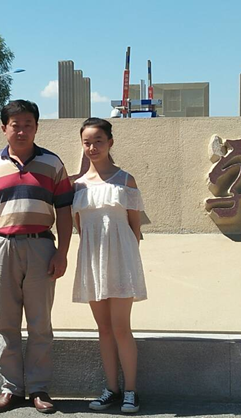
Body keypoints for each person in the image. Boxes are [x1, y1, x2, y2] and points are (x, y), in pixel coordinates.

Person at [0, 100, 73, 414]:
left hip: (42, 248)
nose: (22, 131)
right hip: (1, 247)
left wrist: (62, 253)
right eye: (15, 125)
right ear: (4, 128)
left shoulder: (52, 164)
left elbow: (64, 211)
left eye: (28, 124)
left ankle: (39, 388)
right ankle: (11, 389)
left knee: (40, 323)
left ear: (36, 127)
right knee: (6, 322)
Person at [72, 117, 147, 414]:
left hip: (121, 260)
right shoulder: (77, 186)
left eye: (98, 141)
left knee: (121, 327)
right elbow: (80, 227)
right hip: (92, 261)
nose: (92, 147)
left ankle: (131, 391)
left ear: (110, 143)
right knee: (103, 329)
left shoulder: (126, 180)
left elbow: (134, 227)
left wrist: (126, 260)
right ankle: (111, 389)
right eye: (87, 142)